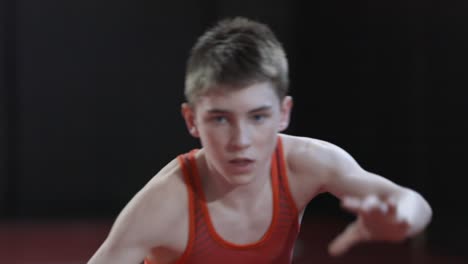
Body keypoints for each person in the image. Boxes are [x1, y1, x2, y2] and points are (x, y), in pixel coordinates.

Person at [88, 17, 432, 264]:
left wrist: (402, 216)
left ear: (284, 114)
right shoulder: (165, 202)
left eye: (258, 117)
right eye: (221, 118)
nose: (242, 140)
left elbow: (409, 201)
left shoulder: (306, 162)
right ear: (192, 120)